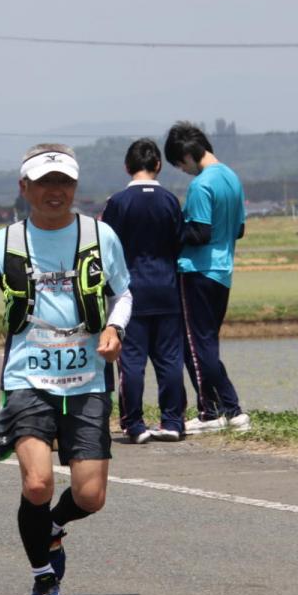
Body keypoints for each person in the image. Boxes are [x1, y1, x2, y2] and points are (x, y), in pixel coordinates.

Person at [0, 143, 131, 595]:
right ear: (24, 188)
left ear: (75, 186)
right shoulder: (5, 242)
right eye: (45, 182)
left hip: (87, 381)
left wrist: (114, 327)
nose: (55, 191)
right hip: (28, 380)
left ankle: (51, 527)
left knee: (91, 496)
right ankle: (43, 577)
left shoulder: (100, 235)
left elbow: (124, 294)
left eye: (63, 181)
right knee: (38, 484)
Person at [164, 121, 250, 434]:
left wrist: (172, 229)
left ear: (188, 155)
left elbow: (199, 233)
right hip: (222, 271)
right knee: (205, 343)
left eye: (179, 164)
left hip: (196, 271)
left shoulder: (201, 185)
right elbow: (239, 229)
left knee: (197, 346)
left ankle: (227, 409)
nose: (182, 170)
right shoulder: (232, 178)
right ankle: (216, 409)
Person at [100, 138, 186, 443]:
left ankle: (135, 425)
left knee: (132, 362)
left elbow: (106, 247)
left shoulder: (118, 202)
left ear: (127, 166)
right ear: (158, 165)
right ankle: (173, 422)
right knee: (170, 360)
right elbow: (179, 241)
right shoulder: (170, 201)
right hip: (167, 288)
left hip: (130, 292)